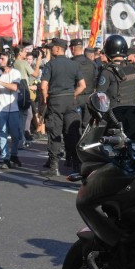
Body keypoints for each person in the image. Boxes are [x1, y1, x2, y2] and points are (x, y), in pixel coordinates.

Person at [39, 37, 87, 176]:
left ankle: (54, 168)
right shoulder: (74, 64)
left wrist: (45, 99)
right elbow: (83, 85)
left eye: (52, 47)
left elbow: (43, 86)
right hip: (70, 101)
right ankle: (77, 165)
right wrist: (73, 95)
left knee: (55, 133)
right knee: (72, 133)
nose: (50, 49)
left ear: (58, 48)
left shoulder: (50, 64)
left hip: (55, 101)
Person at [0, 50, 24, 168]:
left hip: (13, 109)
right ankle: (4, 157)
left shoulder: (16, 73)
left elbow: (14, 87)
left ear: (10, 60)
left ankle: (14, 154)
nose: (0, 61)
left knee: (15, 134)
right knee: (1, 133)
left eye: (2, 59)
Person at [96, 34, 135, 107]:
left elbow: (100, 96)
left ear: (108, 50)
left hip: (115, 114)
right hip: (133, 112)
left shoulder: (107, 71)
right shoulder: (133, 68)